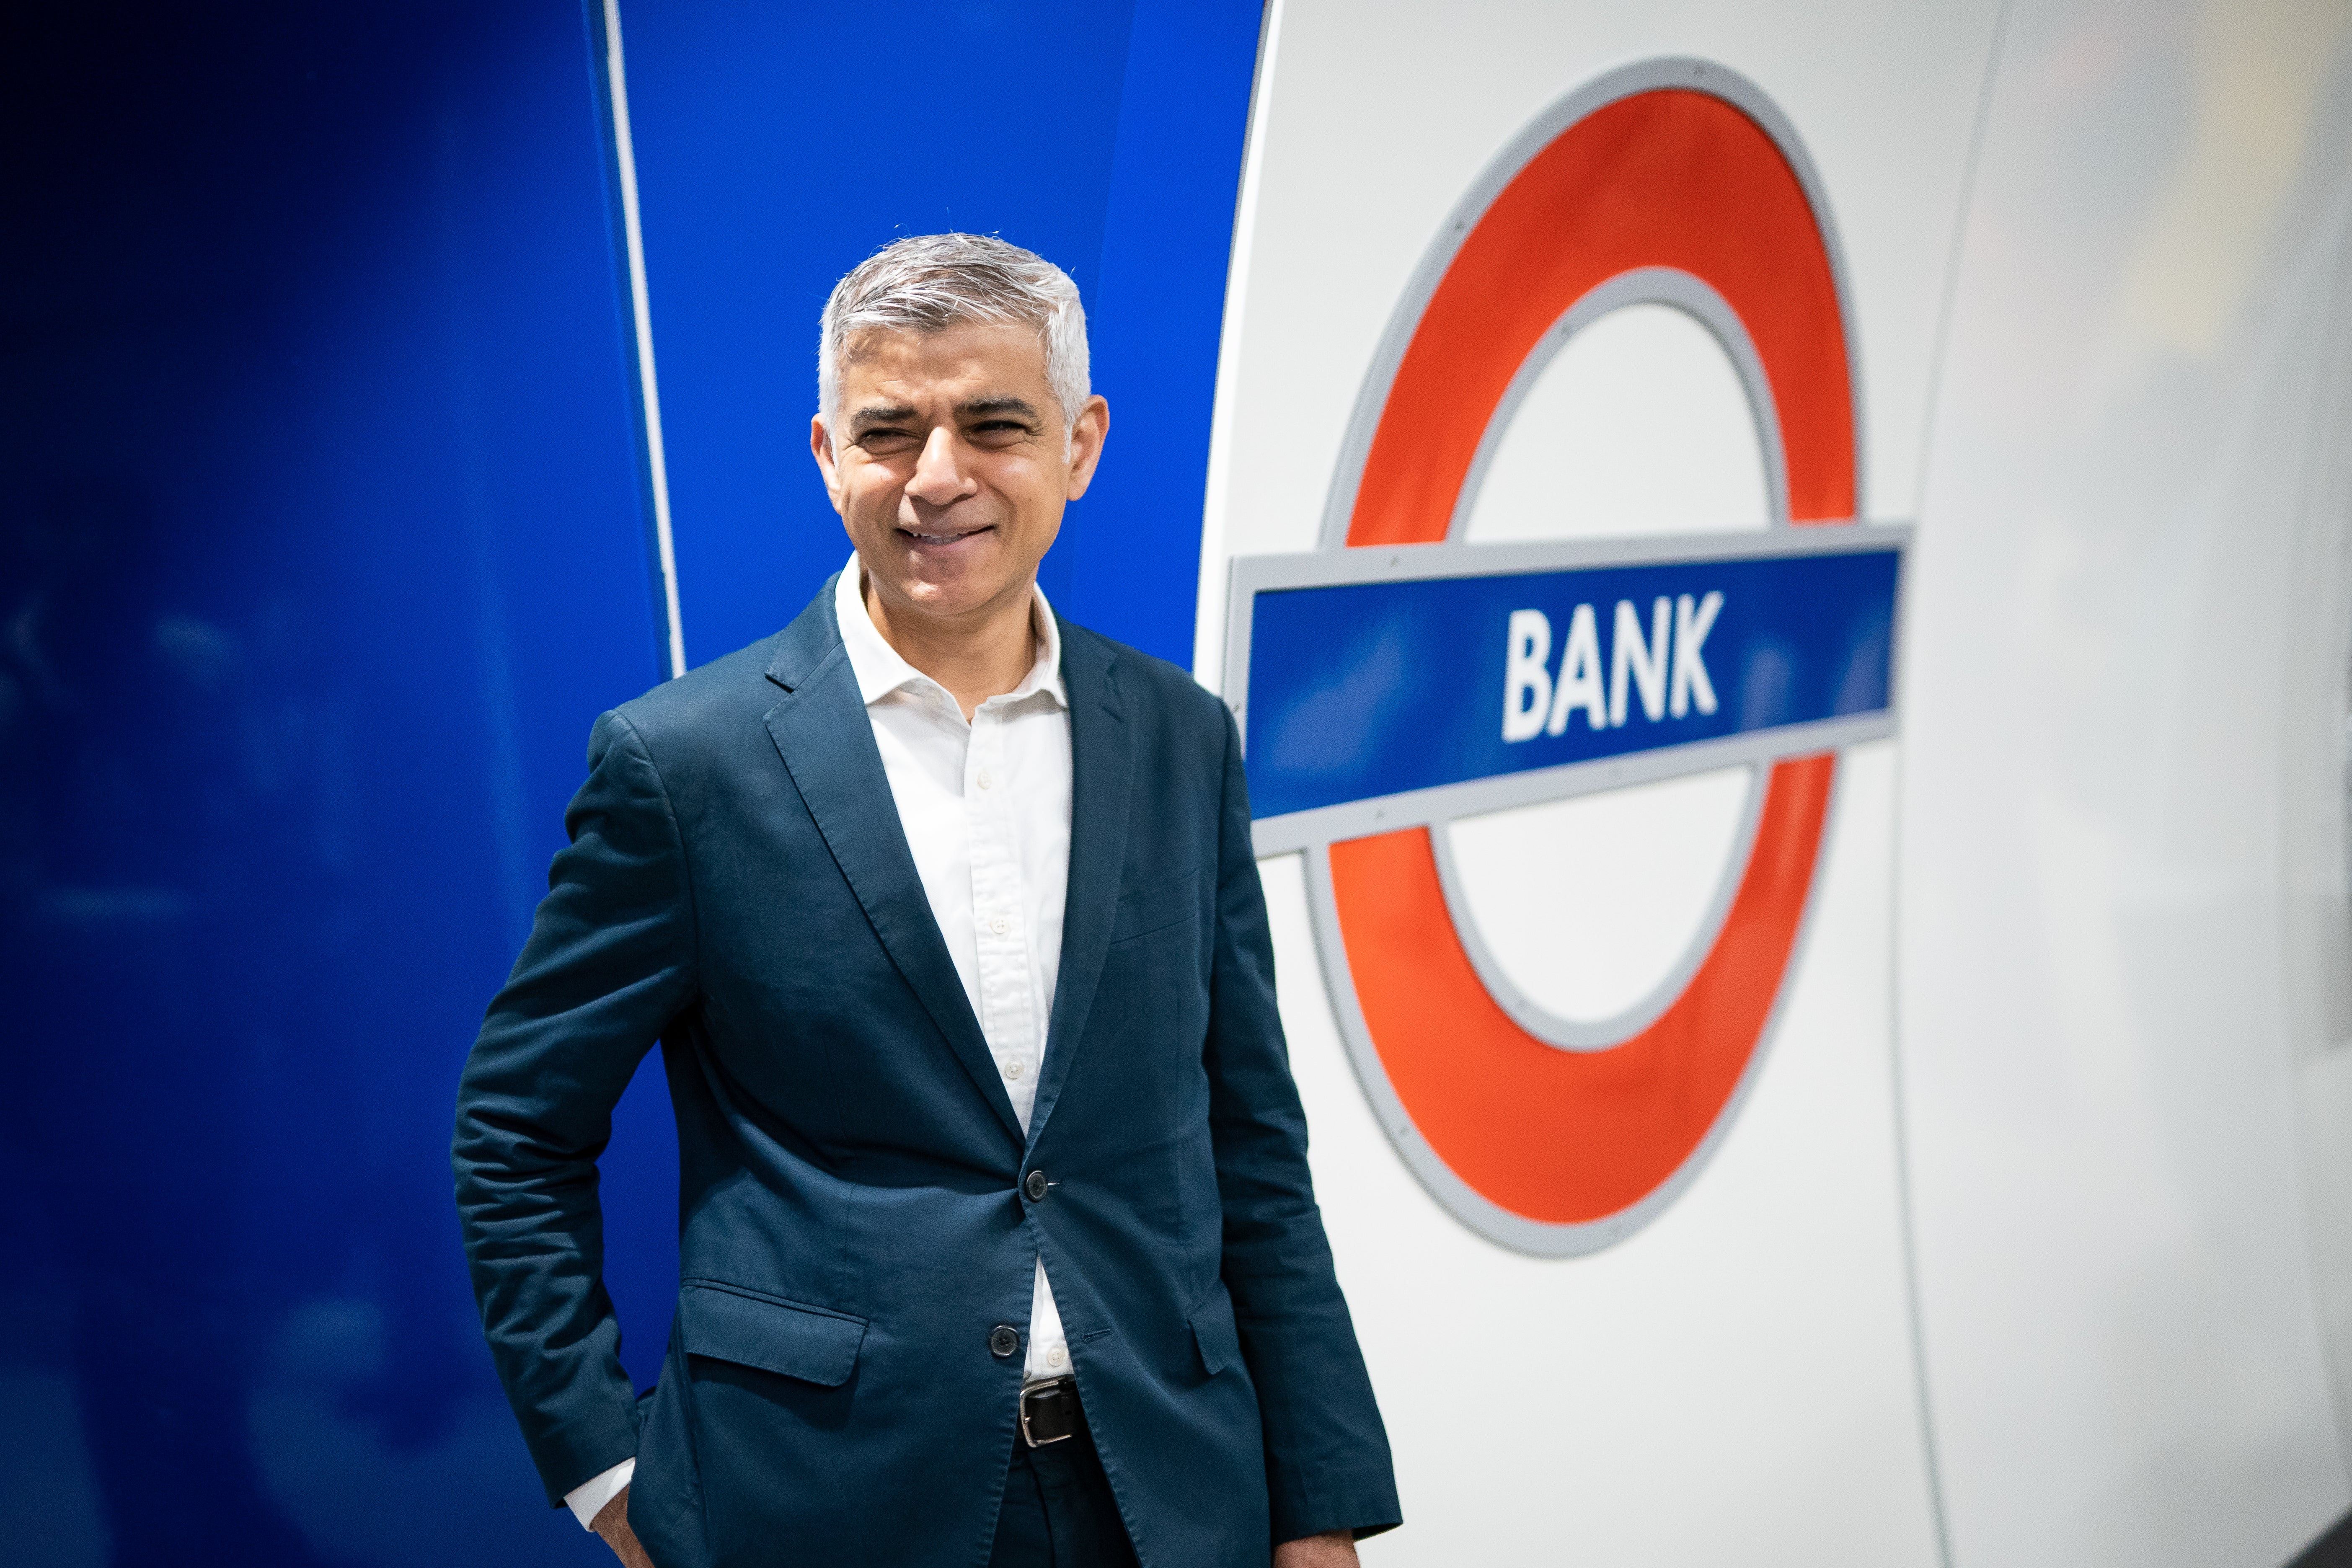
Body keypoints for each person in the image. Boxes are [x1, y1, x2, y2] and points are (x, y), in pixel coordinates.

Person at [452, 232, 1400, 1567]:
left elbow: (1249, 1140)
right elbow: (514, 1129)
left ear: (1081, 444)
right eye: (890, 433)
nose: (937, 479)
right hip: (824, 1502)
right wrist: (606, 1467)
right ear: (829, 454)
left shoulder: (1183, 737)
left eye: (994, 426)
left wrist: (1322, 1496)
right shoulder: (686, 764)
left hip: (1175, 1487)